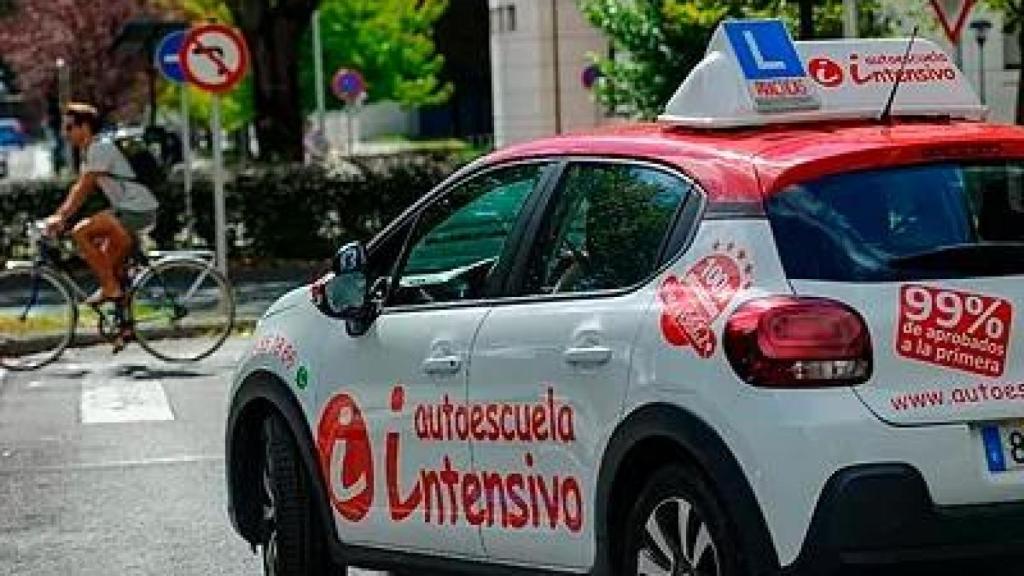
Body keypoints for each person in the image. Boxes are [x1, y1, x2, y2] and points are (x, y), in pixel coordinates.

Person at [45, 103, 160, 304]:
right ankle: (124, 324)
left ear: (85, 127)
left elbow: (83, 187)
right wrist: (62, 214)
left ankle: (109, 289)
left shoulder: (100, 148)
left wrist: (60, 217)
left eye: (70, 127)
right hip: (132, 209)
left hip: (136, 210)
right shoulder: (92, 150)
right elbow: (80, 188)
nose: (65, 133)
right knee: (110, 265)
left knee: (80, 232)